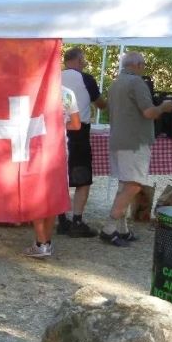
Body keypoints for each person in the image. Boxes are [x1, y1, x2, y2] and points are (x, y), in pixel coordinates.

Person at [104, 52, 172, 247]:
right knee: (133, 185)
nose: (144, 67)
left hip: (119, 139)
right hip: (134, 142)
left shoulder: (115, 83)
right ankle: (109, 228)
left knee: (124, 184)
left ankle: (122, 229)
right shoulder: (137, 83)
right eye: (143, 64)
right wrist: (164, 106)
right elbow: (149, 112)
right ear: (136, 64)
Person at [23, 85, 82, 258]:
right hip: (58, 150)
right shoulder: (68, 93)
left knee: (34, 196)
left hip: (35, 149)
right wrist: (61, 126)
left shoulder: (31, 89)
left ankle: (41, 243)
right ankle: (46, 242)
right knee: (51, 197)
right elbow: (77, 124)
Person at [58, 47, 105, 237]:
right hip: (78, 132)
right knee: (82, 179)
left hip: (57, 131)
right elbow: (101, 103)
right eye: (83, 60)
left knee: (60, 178)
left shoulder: (54, 78)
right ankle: (77, 221)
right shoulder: (86, 79)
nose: (84, 63)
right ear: (78, 60)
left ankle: (61, 220)